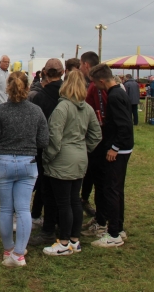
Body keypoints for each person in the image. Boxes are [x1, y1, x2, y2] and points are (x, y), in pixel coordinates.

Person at [0, 71, 49, 267]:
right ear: (28, 87)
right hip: (28, 163)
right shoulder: (36, 111)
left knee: (5, 208)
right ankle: (19, 254)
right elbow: (44, 141)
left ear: (7, 88)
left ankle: (9, 249)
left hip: (4, 162)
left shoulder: (0, 112)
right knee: (23, 209)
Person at [42, 71, 102, 256]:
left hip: (63, 159)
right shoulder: (88, 109)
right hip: (79, 158)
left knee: (63, 202)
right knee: (75, 200)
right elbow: (96, 135)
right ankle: (75, 240)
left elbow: (54, 138)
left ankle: (65, 242)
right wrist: (84, 148)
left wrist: (47, 158)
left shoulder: (62, 108)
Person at [89, 63, 134, 248]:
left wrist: (114, 147)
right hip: (124, 148)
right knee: (118, 190)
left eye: (94, 82)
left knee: (112, 190)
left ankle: (113, 233)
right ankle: (119, 228)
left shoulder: (114, 96)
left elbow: (124, 125)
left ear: (101, 81)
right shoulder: (120, 92)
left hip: (119, 149)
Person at [29, 59, 64, 246]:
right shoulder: (68, 94)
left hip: (44, 147)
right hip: (67, 148)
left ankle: (49, 229)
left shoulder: (40, 97)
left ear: (44, 73)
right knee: (65, 191)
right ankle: (63, 228)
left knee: (47, 189)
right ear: (62, 72)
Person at [79, 51, 106, 225]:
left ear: (86, 65)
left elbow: (100, 113)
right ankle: (86, 201)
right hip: (95, 137)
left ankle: (101, 219)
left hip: (97, 139)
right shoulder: (93, 83)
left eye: (81, 65)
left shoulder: (96, 85)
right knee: (90, 175)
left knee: (99, 179)